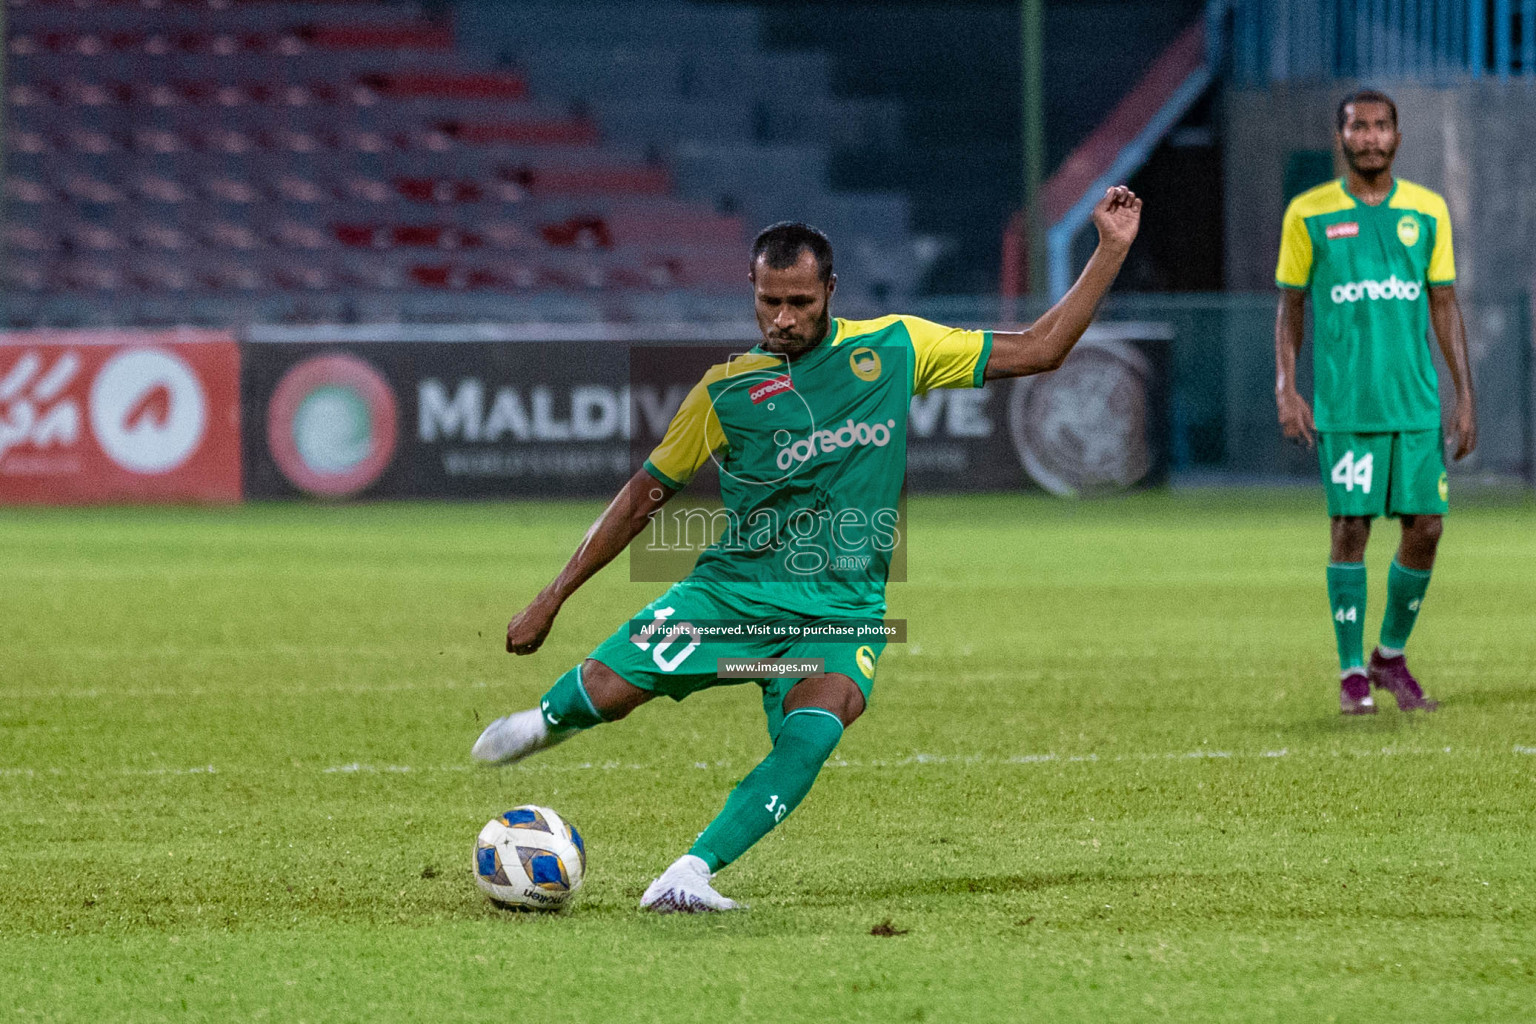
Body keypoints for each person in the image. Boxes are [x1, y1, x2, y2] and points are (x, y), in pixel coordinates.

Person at [474, 187, 1142, 912]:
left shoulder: (894, 347)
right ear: (752, 293)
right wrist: (553, 596)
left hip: (842, 610)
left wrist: (1109, 250)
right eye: (769, 303)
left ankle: (688, 875)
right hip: (732, 598)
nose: (783, 319)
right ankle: (544, 721)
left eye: (799, 301)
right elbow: (642, 499)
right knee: (610, 693)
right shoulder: (725, 393)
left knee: (816, 726)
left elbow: (1042, 349)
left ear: (830, 290)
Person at [1274, 89, 1477, 715]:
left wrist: (1465, 395)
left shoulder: (1429, 211)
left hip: (1414, 405)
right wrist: (1287, 387)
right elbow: (1290, 308)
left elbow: (1444, 304)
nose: (1369, 138)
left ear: (1397, 135)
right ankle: (1351, 673)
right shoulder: (1307, 213)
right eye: (1357, 127)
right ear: (1341, 137)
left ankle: (1390, 656)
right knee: (1350, 529)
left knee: (1427, 529)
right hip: (1347, 406)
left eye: (1380, 126)